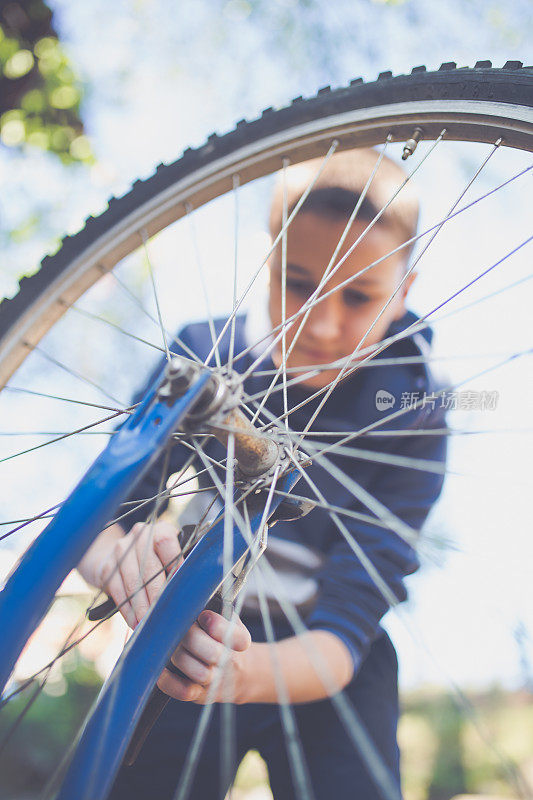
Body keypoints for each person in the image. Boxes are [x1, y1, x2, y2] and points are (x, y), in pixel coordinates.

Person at [77, 148, 447, 799]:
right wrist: (120, 560)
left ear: (403, 292)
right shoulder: (202, 352)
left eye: (358, 295)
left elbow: (356, 608)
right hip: (190, 626)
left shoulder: (416, 407)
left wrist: (247, 677)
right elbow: (101, 515)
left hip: (329, 665)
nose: (321, 323)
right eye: (296, 281)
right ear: (265, 259)